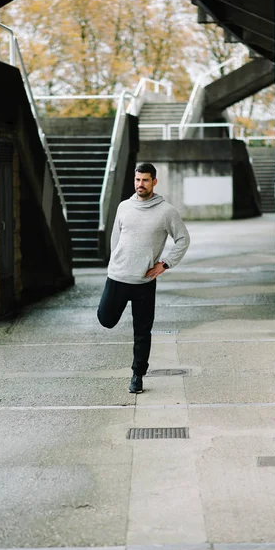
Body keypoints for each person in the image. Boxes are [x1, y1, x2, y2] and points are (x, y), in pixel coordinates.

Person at [97, 162, 190, 394]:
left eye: (145, 180)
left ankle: (137, 375)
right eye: (138, 180)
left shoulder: (166, 211)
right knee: (106, 319)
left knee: (142, 332)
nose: (141, 184)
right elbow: (115, 238)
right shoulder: (123, 207)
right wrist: (113, 264)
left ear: (154, 182)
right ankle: (137, 373)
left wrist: (165, 264)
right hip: (118, 277)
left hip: (144, 282)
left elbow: (183, 239)